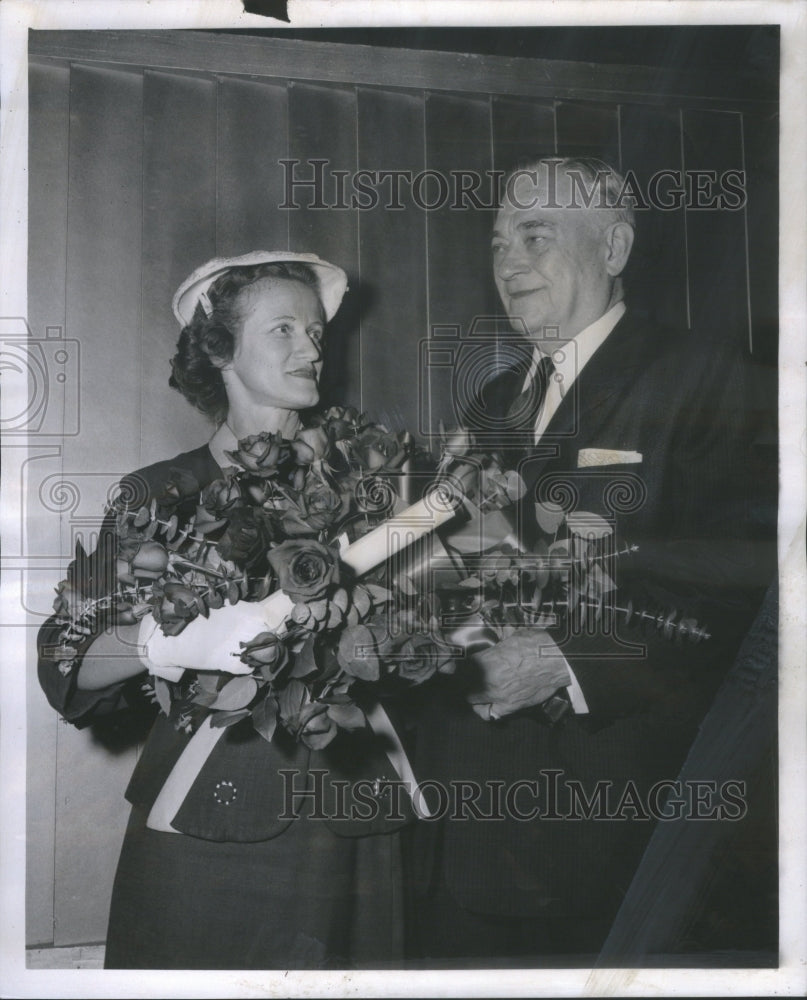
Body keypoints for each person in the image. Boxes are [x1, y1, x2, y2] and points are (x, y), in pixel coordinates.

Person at [405, 157, 777, 963]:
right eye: (498, 240)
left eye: (535, 236)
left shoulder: (705, 378)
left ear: (612, 247)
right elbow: (462, 563)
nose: (507, 262)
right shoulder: (491, 402)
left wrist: (567, 664)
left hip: (612, 830)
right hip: (464, 820)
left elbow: (751, 585)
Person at [37, 251, 415, 970]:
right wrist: (160, 646)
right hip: (207, 820)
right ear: (220, 351)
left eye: (314, 332)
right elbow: (64, 658)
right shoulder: (158, 493)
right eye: (283, 330)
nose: (311, 347)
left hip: (359, 820)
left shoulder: (375, 486)